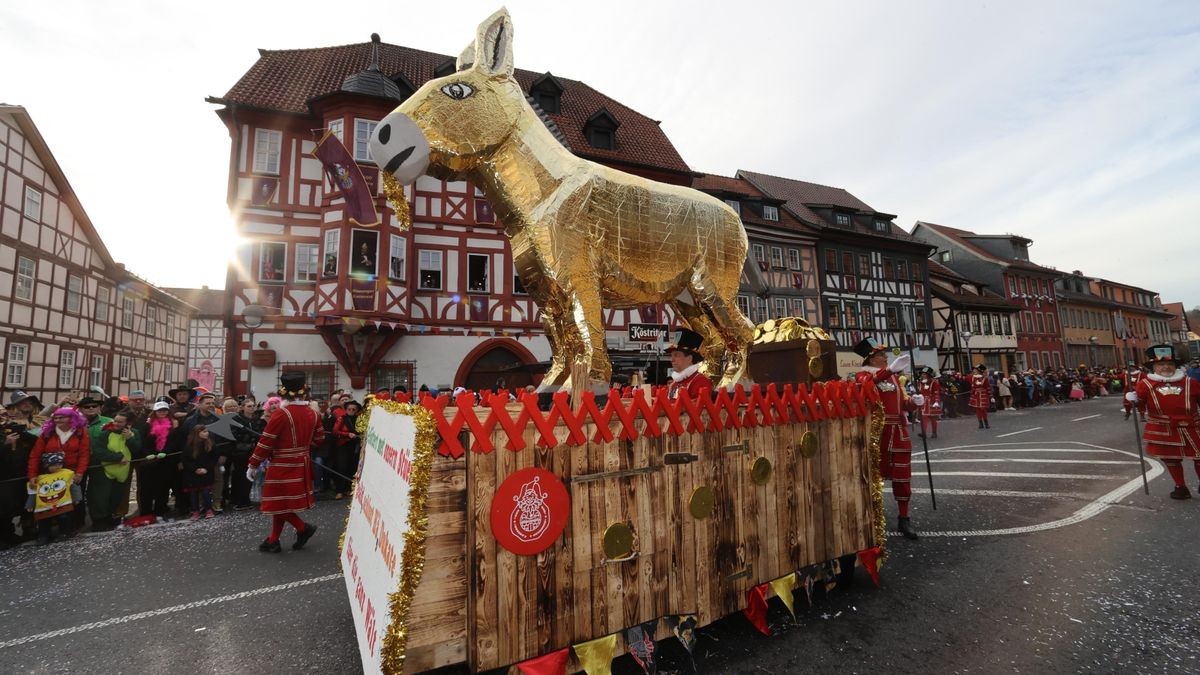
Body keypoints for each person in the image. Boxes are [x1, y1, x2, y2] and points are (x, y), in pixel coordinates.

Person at [246, 371, 323, 553]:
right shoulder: (313, 414)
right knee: (280, 503)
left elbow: (266, 441)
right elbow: (319, 439)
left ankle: (303, 528)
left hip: (282, 463)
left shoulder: (281, 414)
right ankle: (273, 540)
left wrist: (253, 464)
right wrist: (302, 445)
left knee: (276, 503)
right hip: (302, 462)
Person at [854, 338, 922, 539]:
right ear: (872, 359)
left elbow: (901, 405)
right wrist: (889, 370)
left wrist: (914, 403)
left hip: (898, 433)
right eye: (881, 355)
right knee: (871, 478)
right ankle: (871, 519)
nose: (885, 357)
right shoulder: (862, 375)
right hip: (876, 433)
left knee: (902, 477)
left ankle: (904, 518)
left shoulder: (893, 378)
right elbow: (867, 385)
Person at [1129, 345, 1200, 499]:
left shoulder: (1191, 382)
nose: (1166, 367)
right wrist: (1132, 400)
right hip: (1162, 427)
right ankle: (1180, 486)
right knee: (1170, 458)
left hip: (1193, 425)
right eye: (1161, 364)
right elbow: (1139, 404)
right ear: (1154, 367)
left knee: (1199, 456)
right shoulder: (1145, 384)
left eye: (1170, 364)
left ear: (1176, 366)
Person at [27, 407, 90, 537]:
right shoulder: (47, 433)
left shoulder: (80, 432)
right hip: (50, 474)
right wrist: (32, 475)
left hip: (71, 472)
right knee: (52, 501)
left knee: (75, 500)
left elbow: (84, 454)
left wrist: (80, 472)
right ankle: (51, 531)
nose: (58, 420)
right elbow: (35, 455)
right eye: (55, 417)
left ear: (71, 418)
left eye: (62, 417)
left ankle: (73, 527)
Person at [2, 391, 44, 547]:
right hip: (11, 470)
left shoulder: (40, 421)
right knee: (9, 503)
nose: (26, 404)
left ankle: (30, 529)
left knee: (31, 500)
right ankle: (8, 533)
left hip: (35, 466)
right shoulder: (5, 424)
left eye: (29, 401)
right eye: (22, 402)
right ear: (14, 406)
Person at [88, 412, 140, 529]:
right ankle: (99, 521)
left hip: (122, 470)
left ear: (128, 423)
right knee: (101, 497)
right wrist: (117, 457)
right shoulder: (106, 433)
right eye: (115, 420)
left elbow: (137, 449)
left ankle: (110, 516)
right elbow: (98, 450)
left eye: (120, 422)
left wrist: (130, 439)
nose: (116, 424)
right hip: (104, 469)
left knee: (116, 495)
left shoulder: (134, 433)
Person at [27, 451, 80, 545]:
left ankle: (65, 532)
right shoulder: (39, 478)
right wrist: (30, 504)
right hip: (44, 506)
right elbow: (33, 492)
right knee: (43, 522)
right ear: (46, 465)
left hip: (62, 504)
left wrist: (76, 498)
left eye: (60, 464)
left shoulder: (67, 473)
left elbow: (74, 486)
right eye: (54, 464)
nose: (58, 466)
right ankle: (44, 536)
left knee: (64, 518)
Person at [136, 400, 176, 519]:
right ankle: (146, 511)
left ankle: (161, 509)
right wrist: (147, 454)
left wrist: (166, 452)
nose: (162, 412)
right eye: (159, 410)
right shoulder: (147, 425)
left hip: (164, 460)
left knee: (163, 486)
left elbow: (174, 442)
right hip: (148, 461)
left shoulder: (172, 425)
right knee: (146, 487)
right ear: (155, 412)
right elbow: (141, 442)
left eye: (164, 410)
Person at [228, 397, 261, 510]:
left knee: (248, 475)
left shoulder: (256, 420)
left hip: (252, 451)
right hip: (240, 452)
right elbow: (233, 435)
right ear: (243, 407)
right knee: (240, 476)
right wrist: (249, 437)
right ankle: (239, 500)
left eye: (253, 406)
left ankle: (244, 499)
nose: (251, 408)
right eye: (249, 406)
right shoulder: (237, 419)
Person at [180, 425, 218, 519]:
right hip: (193, 473)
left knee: (206, 492)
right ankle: (195, 511)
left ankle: (208, 509)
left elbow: (214, 458)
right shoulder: (189, 446)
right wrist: (195, 469)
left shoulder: (210, 444)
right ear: (197, 433)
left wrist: (206, 468)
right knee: (193, 493)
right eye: (204, 432)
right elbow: (186, 460)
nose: (207, 433)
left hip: (206, 472)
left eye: (207, 431)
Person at [665, 328, 712, 399]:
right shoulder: (675, 383)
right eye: (671, 356)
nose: (672, 360)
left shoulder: (701, 382)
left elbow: (698, 408)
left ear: (689, 359)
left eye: (676, 355)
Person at [331, 400, 362, 499]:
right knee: (341, 467)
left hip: (354, 446)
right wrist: (347, 434)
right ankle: (339, 490)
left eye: (354, 409)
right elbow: (335, 431)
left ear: (356, 410)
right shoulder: (341, 418)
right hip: (343, 446)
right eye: (349, 409)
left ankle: (349, 489)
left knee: (352, 467)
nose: (351, 411)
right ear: (346, 409)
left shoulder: (359, 419)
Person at [916, 367, 942, 439]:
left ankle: (934, 432)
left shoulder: (934, 382)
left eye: (925, 374)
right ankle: (923, 432)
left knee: (933, 418)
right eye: (922, 374)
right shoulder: (920, 382)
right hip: (923, 402)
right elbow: (919, 392)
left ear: (929, 375)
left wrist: (936, 401)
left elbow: (936, 392)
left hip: (931, 402)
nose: (923, 375)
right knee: (923, 417)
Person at [968, 364, 992, 429]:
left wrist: (991, 396)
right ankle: (980, 423)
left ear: (979, 371)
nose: (974, 371)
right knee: (977, 410)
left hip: (983, 395)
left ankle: (986, 423)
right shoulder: (972, 378)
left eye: (975, 370)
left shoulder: (984, 379)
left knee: (983, 409)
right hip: (976, 395)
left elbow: (988, 387)